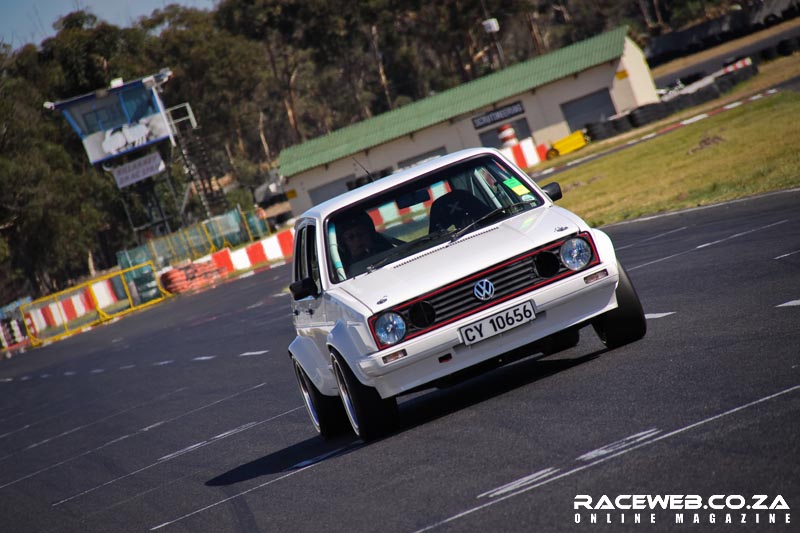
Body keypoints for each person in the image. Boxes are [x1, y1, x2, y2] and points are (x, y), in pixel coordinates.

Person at [335, 211, 392, 276]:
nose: (357, 239)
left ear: (370, 235)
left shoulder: (390, 253)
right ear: (344, 244)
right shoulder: (342, 273)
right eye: (350, 237)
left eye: (361, 234)